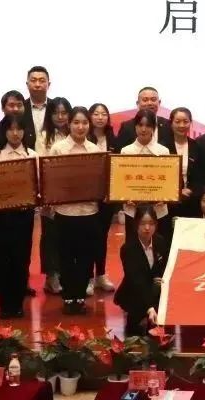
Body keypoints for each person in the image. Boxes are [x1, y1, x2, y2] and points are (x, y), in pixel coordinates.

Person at [49, 106, 103, 315]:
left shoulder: (95, 151)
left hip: (89, 212)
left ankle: (80, 297)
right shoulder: (58, 149)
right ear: (69, 124)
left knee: (86, 256)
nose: (81, 127)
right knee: (66, 256)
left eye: (84, 123)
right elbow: (51, 180)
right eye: (76, 123)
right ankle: (68, 296)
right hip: (65, 212)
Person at [0, 114, 38, 319]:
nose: (15, 134)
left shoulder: (32, 156)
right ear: (4, 131)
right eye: (11, 129)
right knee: (2, 257)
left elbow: (39, 186)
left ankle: (17, 301)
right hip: (0, 217)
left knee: (21, 257)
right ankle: (4, 301)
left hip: (24, 216)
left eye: (19, 129)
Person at [119, 110, 174, 242]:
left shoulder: (163, 151)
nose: (143, 129)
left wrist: (165, 197)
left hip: (158, 210)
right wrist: (125, 197)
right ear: (135, 126)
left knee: (159, 245)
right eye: (140, 125)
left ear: (154, 128)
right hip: (132, 209)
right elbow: (122, 181)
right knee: (134, 246)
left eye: (148, 125)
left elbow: (168, 181)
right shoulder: (126, 151)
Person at [115, 206, 169, 335]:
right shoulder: (128, 249)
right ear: (136, 224)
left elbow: (164, 267)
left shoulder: (160, 242)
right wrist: (149, 307)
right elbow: (136, 280)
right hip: (134, 293)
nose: (147, 228)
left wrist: (161, 279)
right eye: (143, 223)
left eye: (151, 223)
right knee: (134, 335)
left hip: (155, 290)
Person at [37, 96, 72, 296]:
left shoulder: (75, 132)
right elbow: (40, 165)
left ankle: (66, 273)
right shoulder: (44, 136)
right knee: (50, 236)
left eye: (64, 113)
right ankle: (51, 276)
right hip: (50, 193)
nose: (60, 117)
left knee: (67, 236)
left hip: (71, 195)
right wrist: (46, 194)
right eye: (56, 113)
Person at [88, 103, 118, 294]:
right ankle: (88, 277)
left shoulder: (113, 139)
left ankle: (100, 274)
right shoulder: (84, 137)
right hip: (88, 195)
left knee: (102, 236)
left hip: (107, 197)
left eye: (104, 114)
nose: (100, 117)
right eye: (96, 114)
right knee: (88, 236)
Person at [170, 107, 205, 217]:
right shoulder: (163, 147)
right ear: (171, 123)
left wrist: (191, 190)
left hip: (192, 202)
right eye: (177, 122)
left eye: (185, 121)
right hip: (169, 203)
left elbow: (202, 175)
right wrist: (177, 191)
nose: (181, 125)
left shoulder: (197, 146)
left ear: (190, 123)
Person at [0, 90, 32, 158]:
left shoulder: (30, 129)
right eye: (11, 105)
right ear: (2, 108)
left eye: (19, 105)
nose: (16, 109)